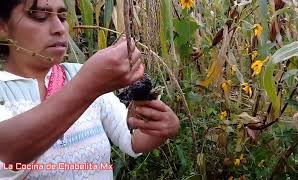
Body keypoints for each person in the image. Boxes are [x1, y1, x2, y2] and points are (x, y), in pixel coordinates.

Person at [0, 0, 180, 179]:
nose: (59, 28)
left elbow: (132, 139)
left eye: (62, 17)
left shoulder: (80, 73)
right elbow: (7, 155)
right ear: (3, 27)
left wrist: (158, 129)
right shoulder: (89, 79)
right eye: (40, 16)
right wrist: (88, 86)